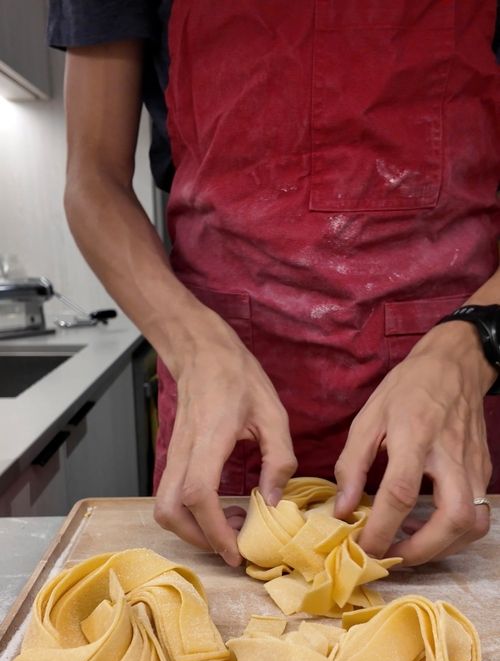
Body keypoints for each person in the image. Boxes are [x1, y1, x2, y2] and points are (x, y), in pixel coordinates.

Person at [48, 1, 500, 568]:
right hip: (222, 396)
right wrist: (194, 346)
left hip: (459, 396)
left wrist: (473, 345)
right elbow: (93, 179)